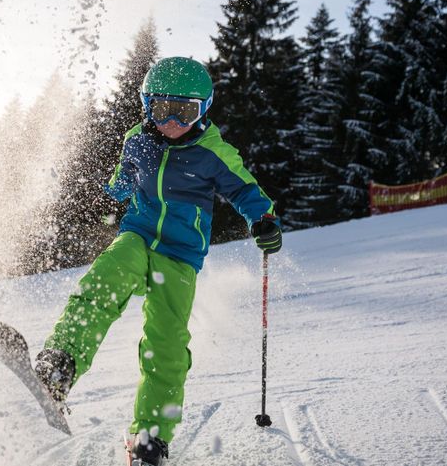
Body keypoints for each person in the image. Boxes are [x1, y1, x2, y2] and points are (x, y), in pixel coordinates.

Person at [33, 56, 282, 466]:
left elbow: (246, 192)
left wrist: (265, 220)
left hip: (181, 256)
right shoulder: (138, 139)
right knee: (103, 282)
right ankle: (60, 365)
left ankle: (151, 435)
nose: (170, 120)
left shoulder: (212, 151)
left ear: (204, 109)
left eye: (184, 110)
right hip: (138, 234)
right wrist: (110, 189)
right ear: (146, 105)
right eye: (160, 108)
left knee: (166, 344)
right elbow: (120, 183)